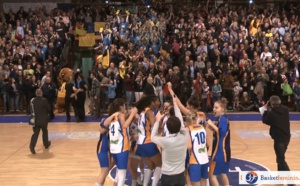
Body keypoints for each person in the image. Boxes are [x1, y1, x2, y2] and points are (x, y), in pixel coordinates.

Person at [151, 93, 187, 186]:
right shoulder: (184, 136)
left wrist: (158, 120)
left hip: (168, 176)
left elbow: (153, 137)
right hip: (180, 176)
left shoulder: (165, 141)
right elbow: (180, 119)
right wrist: (175, 104)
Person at [103, 98, 137, 186]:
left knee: (119, 169)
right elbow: (125, 126)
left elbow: (105, 124)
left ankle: (115, 184)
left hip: (113, 148)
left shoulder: (113, 116)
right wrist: (133, 114)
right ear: (121, 106)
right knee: (122, 173)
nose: (125, 108)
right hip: (122, 148)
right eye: (124, 106)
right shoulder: (120, 115)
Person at [135, 95, 162, 186]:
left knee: (150, 165)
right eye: (157, 101)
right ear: (152, 102)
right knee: (160, 164)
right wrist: (160, 122)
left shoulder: (142, 112)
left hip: (141, 144)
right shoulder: (150, 112)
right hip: (148, 142)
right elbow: (155, 127)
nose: (158, 103)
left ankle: (145, 184)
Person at [261, 95, 292, 172]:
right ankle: (280, 178)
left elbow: (265, 120)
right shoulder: (285, 110)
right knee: (279, 158)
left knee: (281, 159)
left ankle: (291, 182)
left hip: (279, 139)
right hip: (287, 137)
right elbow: (279, 108)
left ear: (271, 104)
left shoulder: (271, 114)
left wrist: (266, 110)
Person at [206, 98, 231, 186]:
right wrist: (210, 126)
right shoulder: (222, 119)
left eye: (216, 108)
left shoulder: (223, 119)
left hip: (219, 153)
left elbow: (222, 133)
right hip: (226, 153)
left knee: (212, 175)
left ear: (222, 109)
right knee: (223, 174)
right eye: (213, 107)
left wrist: (211, 124)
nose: (214, 109)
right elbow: (218, 132)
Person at [186, 110, 209, 186]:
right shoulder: (202, 127)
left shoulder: (188, 129)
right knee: (203, 182)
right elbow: (208, 144)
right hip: (204, 158)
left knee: (196, 183)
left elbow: (189, 146)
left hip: (195, 160)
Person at [29, 89, 51, 154]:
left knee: (35, 133)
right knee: (45, 131)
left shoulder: (32, 101)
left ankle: (32, 146)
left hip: (35, 120)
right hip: (44, 120)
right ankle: (46, 144)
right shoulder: (44, 100)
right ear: (41, 93)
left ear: (36, 94)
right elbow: (49, 109)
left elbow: (29, 109)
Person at [95, 118, 114, 186]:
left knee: (105, 172)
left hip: (109, 150)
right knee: (104, 171)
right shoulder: (108, 120)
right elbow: (101, 130)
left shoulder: (105, 120)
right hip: (103, 149)